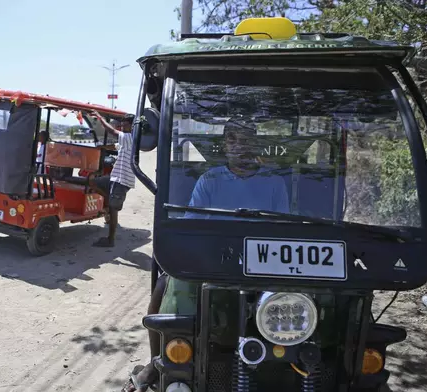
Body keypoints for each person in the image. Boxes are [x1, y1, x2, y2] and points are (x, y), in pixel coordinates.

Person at [122, 122, 290, 392]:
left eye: (245, 138)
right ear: (225, 146)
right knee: (164, 287)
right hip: (213, 262)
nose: (239, 145)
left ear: (254, 143)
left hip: (265, 266)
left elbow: (283, 231)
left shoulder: (274, 182)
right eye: (232, 140)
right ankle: (158, 361)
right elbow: (190, 226)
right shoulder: (210, 180)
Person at [90, 111, 136, 248]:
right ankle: (110, 200)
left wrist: (100, 118)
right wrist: (101, 147)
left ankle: (110, 240)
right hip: (115, 177)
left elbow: (111, 131)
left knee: (113, 209)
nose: (122, 126)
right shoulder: (126, 140)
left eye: (125, 124)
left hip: (122, 179)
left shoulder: (130, 137)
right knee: (92, 181)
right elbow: (115, 146)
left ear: (132, 126)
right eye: (122, 124)